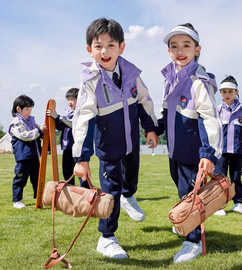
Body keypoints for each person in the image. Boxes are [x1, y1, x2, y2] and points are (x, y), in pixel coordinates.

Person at [72, 18, 159, 259]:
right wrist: (81, 157)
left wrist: (151, 128)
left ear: (121, 47)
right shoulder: (90, 82)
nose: (105, 51)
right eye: (98, 46)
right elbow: (82, 121)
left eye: (111, 45)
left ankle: (129, 195)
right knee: (110, 192)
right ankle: (107, 238)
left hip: (132, 145)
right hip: (108, 148)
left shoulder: (131, 73)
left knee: (129, 181)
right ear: (90, 50)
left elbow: (143, 100)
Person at [156, 23, 223, 263]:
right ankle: (188, 226)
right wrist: (155, 131)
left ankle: (193, 242)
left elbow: (210, 120)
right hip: (175, 150)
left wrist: (208, 154)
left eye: (186, 45)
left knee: (190, 197)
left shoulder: (199, 81)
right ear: (169, 51)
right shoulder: (171, 77)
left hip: (193, 152)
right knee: (182, 192)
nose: (180, 50)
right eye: (174, 46)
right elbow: (166, 113)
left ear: (197, 49)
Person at [213, 75, 242, 216]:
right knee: (220, 179)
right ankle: (218, 206)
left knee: (236, 178)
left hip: (238, 151)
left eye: (230, 91)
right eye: (224, 91)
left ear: (236, 92)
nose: (227, 94)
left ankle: (238, 203)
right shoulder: (217, 110)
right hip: (221, 152)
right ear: (220, 92)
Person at [8, 95, 47, 209]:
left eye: (30, 110)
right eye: (27, 110)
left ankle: (39, 198)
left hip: (34, 155)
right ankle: (17, 200)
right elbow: (25, 135)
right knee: (21, 178)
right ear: (18, 109)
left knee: (36, 178)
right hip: (23, 156)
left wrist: (42, 131)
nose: (29, 112)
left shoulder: (31, 120)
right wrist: (39, 130)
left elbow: (37, 131)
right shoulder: (16, 122)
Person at [47, 88, 88, 187]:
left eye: (72, 99)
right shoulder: (68, 114)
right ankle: (71, 193)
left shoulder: (81, 112)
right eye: (68, 99)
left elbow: (72, 124)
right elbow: (61, 126)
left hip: (78, 148)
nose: (69, 102)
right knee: (67, 172)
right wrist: (53, 119)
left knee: (82, 173)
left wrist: (58, 117)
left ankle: (87, 193)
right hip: (67, 148)